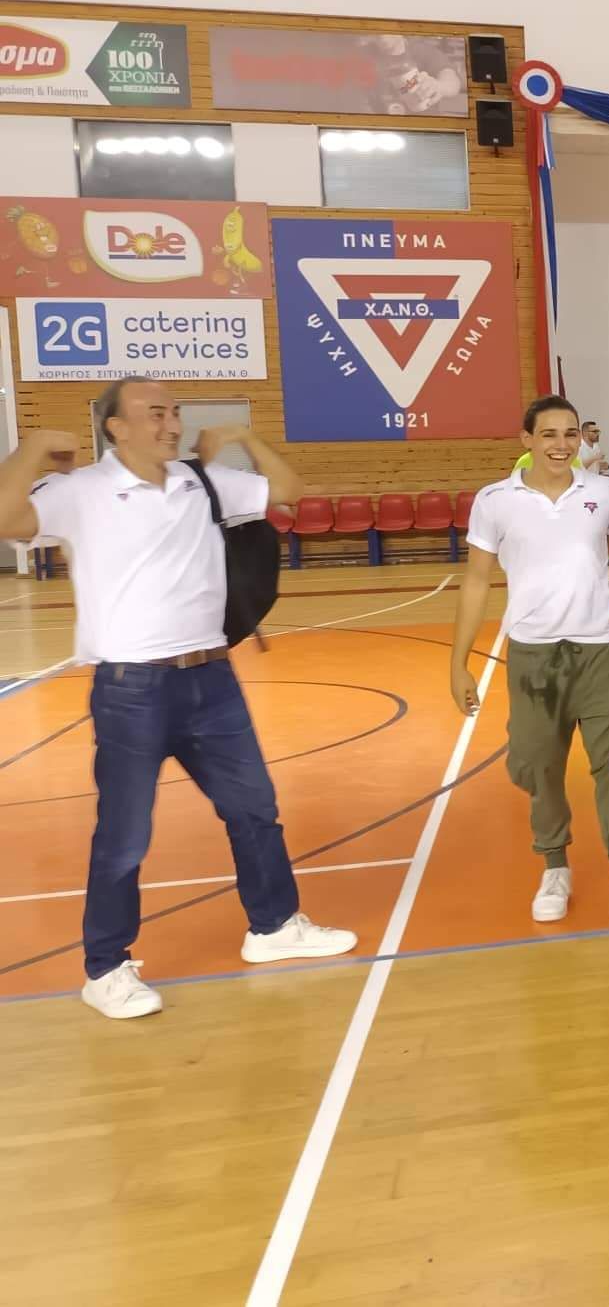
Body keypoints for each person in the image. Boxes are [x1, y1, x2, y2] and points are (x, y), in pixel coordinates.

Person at [0, 377, 355, 1020]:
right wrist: (30, 449)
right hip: (132, 689)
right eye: (155, 413)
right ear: (116, 427)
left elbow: (290, 490)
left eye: (175, 412)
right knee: (125, 836)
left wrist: (243, 436)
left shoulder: (203, 481)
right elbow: (6, 518)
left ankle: (274, 925)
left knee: (255, 810)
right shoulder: (82, 490)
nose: (171, 424)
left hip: (212, 679)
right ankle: (105, 968)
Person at [450, 396, 609, 934]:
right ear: (526, 440)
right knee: (538, 764)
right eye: (549, 434)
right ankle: (554, 867)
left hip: (601, 650)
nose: (561, 444)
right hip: (533, 656)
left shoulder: (603, 492)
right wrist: (459, 662)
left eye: (570, 434)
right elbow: (476, 581)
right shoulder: (495, 501)